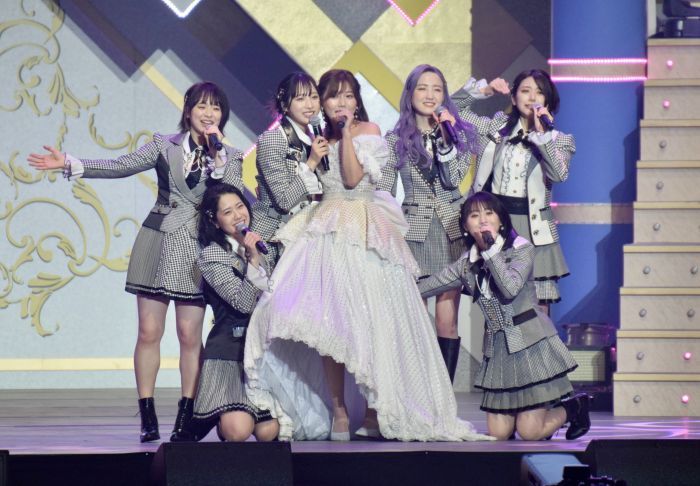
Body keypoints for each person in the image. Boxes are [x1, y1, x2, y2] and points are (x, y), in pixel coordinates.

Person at [243, 69, 492, 442]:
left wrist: (345, 134)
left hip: (365, 229)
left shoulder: (370, 131)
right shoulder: (315, 137)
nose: (341, 102)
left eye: (348, 95)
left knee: (374, 320)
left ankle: (378, 408)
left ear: (357, 100)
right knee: (327, 324)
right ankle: (338, 409)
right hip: (327, 230)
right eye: (333, 96)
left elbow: (351, 178)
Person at [27, 82, 244, 442]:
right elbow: (121, 166)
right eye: (202, 106)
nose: (209, 114)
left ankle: (186, 415)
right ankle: (147, 414)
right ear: (188, 109)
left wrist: (219, 154)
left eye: (216, 108)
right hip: (157, 242)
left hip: (197, 248)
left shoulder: (229, 156)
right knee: (148, 331)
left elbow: (233, 195)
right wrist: (70, 163)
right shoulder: (163, 145)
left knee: (189, 334)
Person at [418, 191, 590, 441]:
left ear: (501, 221)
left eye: (489, 213)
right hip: (499, 351)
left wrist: (491, 253)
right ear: (466, 227)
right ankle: (530, 416)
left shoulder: (522, 249)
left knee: (529, 433)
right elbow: (426, 286)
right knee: (498, 434)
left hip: (530, 344)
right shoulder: (466, 264)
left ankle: (574, 408)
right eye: (474, 216)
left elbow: (509, 288)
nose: (483, 220)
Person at [378, 64, 478, 382]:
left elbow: (453, 179)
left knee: (447, 320)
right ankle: (418, 390)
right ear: (410, 94)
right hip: (413, 232)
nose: (430, 95)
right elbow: (385, 191)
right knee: (416, 320)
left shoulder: (459, 135)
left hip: (451, 230)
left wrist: (446, 139)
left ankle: (443, 394)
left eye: (437, 89)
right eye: (422, 88)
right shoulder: (395, 140)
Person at [452, 69, 575, 306]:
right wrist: (484, 91)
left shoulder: (559, 140)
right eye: (525, 91)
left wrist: (542, 135)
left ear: (548, 101)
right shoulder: (496, 127)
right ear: (513, 98)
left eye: (539, 92)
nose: (532, 97)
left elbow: (559, 175)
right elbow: (453, 111)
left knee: (535, 306)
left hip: (533, 227)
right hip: (496, 224)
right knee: (496, 303)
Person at [190, 183, 279, 442]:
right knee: (238, 431)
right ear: (215, 221)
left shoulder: (264, 247)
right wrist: (252, 261)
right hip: (231, 353)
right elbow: (242, 304)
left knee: (269, 432)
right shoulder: (212, 256)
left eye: (240, 206)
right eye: (227, 212)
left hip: (262, 352)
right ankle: (220, 420)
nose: (238, 215)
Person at [251, 72, 326, 265]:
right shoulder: (273, 139)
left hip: (306, 234)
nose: (310, 105)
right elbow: (284, 200)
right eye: (300, 99)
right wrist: (312, 162)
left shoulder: (316, 139)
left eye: (314, 97)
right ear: (285, 105)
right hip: (272, 237)